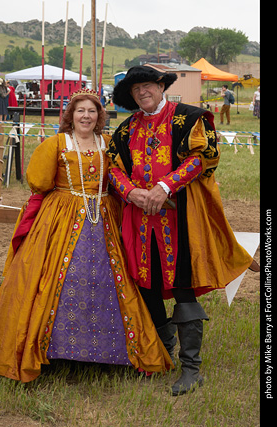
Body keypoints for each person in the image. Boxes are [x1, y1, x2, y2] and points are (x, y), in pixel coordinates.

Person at [0, 88, 172, 383]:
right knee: (61, 279)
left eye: (92, 111)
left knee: (105, 280)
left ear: (100, 116)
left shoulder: (109, 144)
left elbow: (123, 177)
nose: (86, 116)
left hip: (106, 218)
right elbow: (40, 182)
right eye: (80, 110)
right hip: (61, 217)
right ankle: (53, 348)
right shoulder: (56, 144)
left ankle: (113, 351)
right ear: (70, 115)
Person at [107, 65, 259, 396]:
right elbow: (114, 169)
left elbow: (203, 156)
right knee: (147, 285)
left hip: (181, 219)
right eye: (136, 90)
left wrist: (166, 185)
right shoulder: (125, 129)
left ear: (161, 86)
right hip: (140, 221)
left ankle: (192, 369)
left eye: (147, 85)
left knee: (182, 285)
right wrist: (131, 192)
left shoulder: (190, 118)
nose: (142, 92)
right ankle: (162, 354)